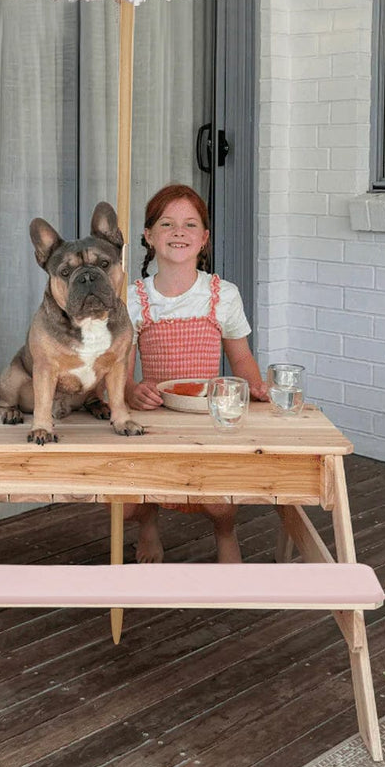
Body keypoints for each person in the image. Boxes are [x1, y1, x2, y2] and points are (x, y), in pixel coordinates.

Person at [124, 183, 267, 564]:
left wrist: (254, 386)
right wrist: (131, 391)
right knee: (126, 501)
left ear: (203, 238)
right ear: (149, 236)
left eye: (189, 225)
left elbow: (241, 359)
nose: (178, 233)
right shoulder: (133, 298)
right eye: (167, 224)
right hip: (153, 414)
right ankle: (148, 524)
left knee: (220, 500)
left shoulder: (223, 294)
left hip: (209, 413)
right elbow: (120, 375)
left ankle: (225, 533)